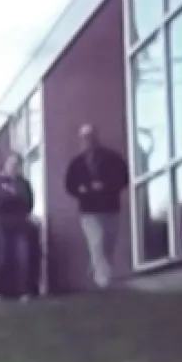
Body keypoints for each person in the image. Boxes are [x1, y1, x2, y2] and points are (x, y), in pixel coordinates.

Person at [65, 123, 129, 288]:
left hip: (110, 207)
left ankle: (97, 268)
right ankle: (103, 281)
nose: (87, 140)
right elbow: (69, 185)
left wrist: (106, 186)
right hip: (88, 210)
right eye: (84, 137)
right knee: (96, 241)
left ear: (96, 137)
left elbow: (124, 178)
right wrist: (81, 189)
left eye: (90, 136)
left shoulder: (112, 158)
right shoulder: (76, 163)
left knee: (108, 243)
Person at [0, 152, 35, 300]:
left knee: (22, 257)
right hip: (1, 223)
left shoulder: (23, 184)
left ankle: (23, 291)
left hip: (19, 223)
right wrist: (3, 201)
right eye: (12, 165)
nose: (15, 168)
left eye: (18, 165)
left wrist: (16, 201)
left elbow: (29, 203)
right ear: (6, 165)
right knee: (1, 256)